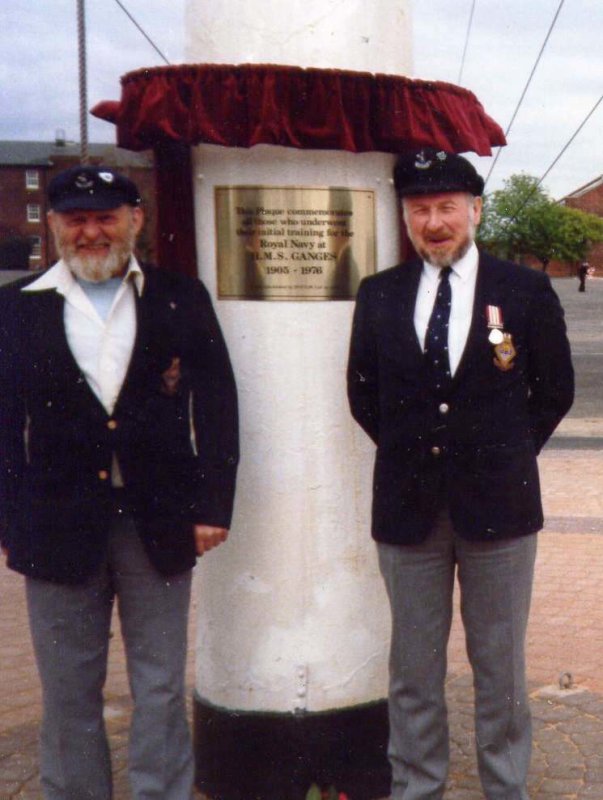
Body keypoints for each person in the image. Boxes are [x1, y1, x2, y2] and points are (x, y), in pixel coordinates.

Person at [0, 165, 239, 799]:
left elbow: (217, 406)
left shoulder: (180, 297)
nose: (91, 231)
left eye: (106, 216)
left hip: (159, 522)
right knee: (67, 689)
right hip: (54, 526)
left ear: (136, 219)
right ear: (53, 227)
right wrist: (8, 520)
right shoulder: (15, 307)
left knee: (160, 686)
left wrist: (214, 505)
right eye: (75, 219)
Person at [347, 149, 574, 800]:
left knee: (498, 669)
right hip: (407, 510)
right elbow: (363, 394)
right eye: (420, 209)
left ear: (474, 210)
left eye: (446, 206)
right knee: (413, 670)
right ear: (405, 217)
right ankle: (417, 787)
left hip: (499, 508)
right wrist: (418, 455)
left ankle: (505, 788)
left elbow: (553, 390)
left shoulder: (523, 291)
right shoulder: (379, 293)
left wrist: (500, 453)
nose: (434, 221)